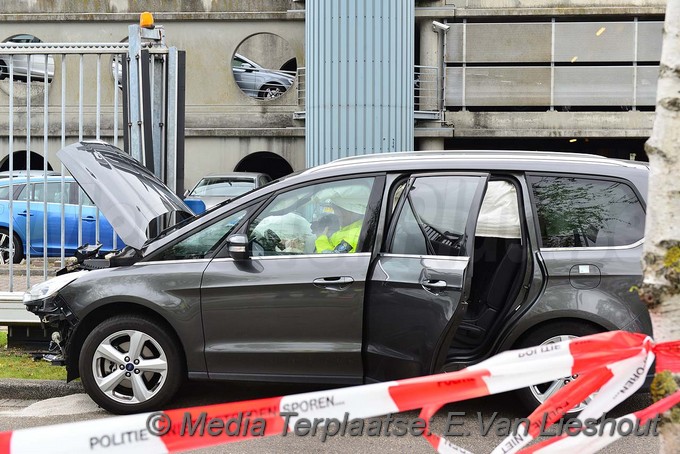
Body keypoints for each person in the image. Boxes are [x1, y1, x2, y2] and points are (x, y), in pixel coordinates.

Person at [313, 184, 371, 253]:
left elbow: (332, 260)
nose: (336, 214)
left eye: (337, 209)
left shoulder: (354, 235)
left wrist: (321, 239)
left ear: (349, 211)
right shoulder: (349, 229)